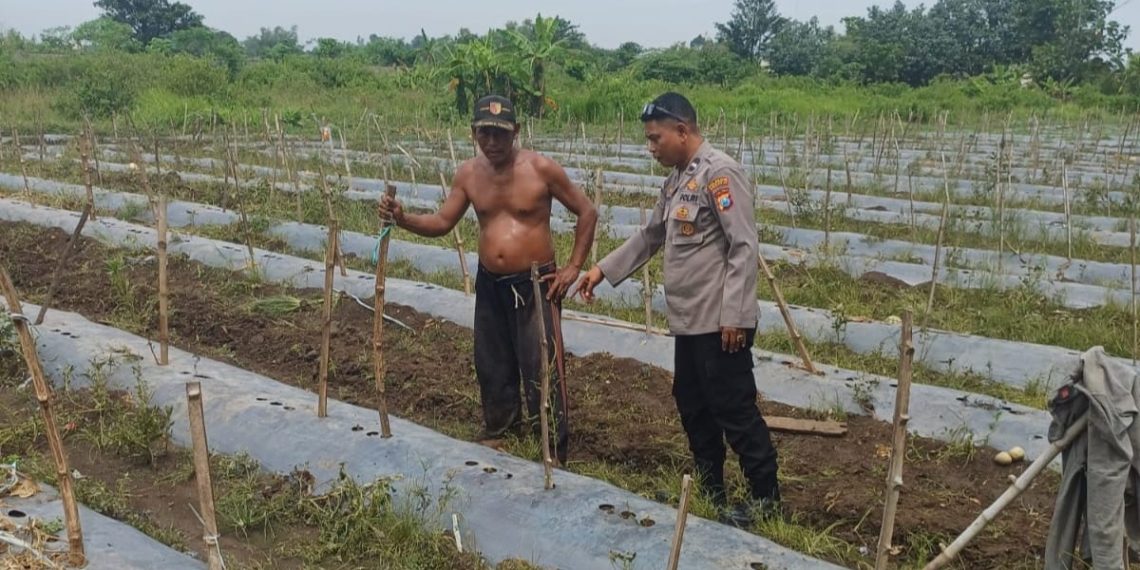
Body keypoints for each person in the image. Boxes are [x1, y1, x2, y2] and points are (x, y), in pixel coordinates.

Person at [574, 92, 779, 523]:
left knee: (733, 407)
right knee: (692, 403)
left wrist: (736, 316)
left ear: (682, 131)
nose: (651, 147)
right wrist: (601, 271)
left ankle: (766, 499)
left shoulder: (719, 174)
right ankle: (710, 489)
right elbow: (651, 236)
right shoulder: (677, 181)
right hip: (689, 323)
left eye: (655, 138)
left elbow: (744, 245)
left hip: (720, 322)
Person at [378, 94, 597, 466]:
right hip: (490, 282)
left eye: (500, 134)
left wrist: (573, 267)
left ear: (516, 132)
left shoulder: (542, 169)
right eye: (484, 134)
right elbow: (443, 222)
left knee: (540, 361)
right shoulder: (468, 173)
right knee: (491, 359)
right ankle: (501, 431)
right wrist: (403, 218)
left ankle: (552, 446)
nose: (492, 142)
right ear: (473, 133)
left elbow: (587, 211)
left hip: (534, 282)